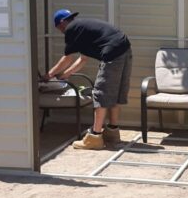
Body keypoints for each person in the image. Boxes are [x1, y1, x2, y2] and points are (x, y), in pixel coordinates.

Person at [44, 9, 132, 149]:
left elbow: (67, 58)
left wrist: (48, 75)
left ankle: (94, 138)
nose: (60, 31)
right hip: (124, 48)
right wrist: (65, 75)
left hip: (112, 53)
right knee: (115, 94)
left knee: (100, 94)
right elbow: (82, 59)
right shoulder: (82, 28)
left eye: (58, 28)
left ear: (61, 23)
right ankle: (112, 134)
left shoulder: (71, 29)